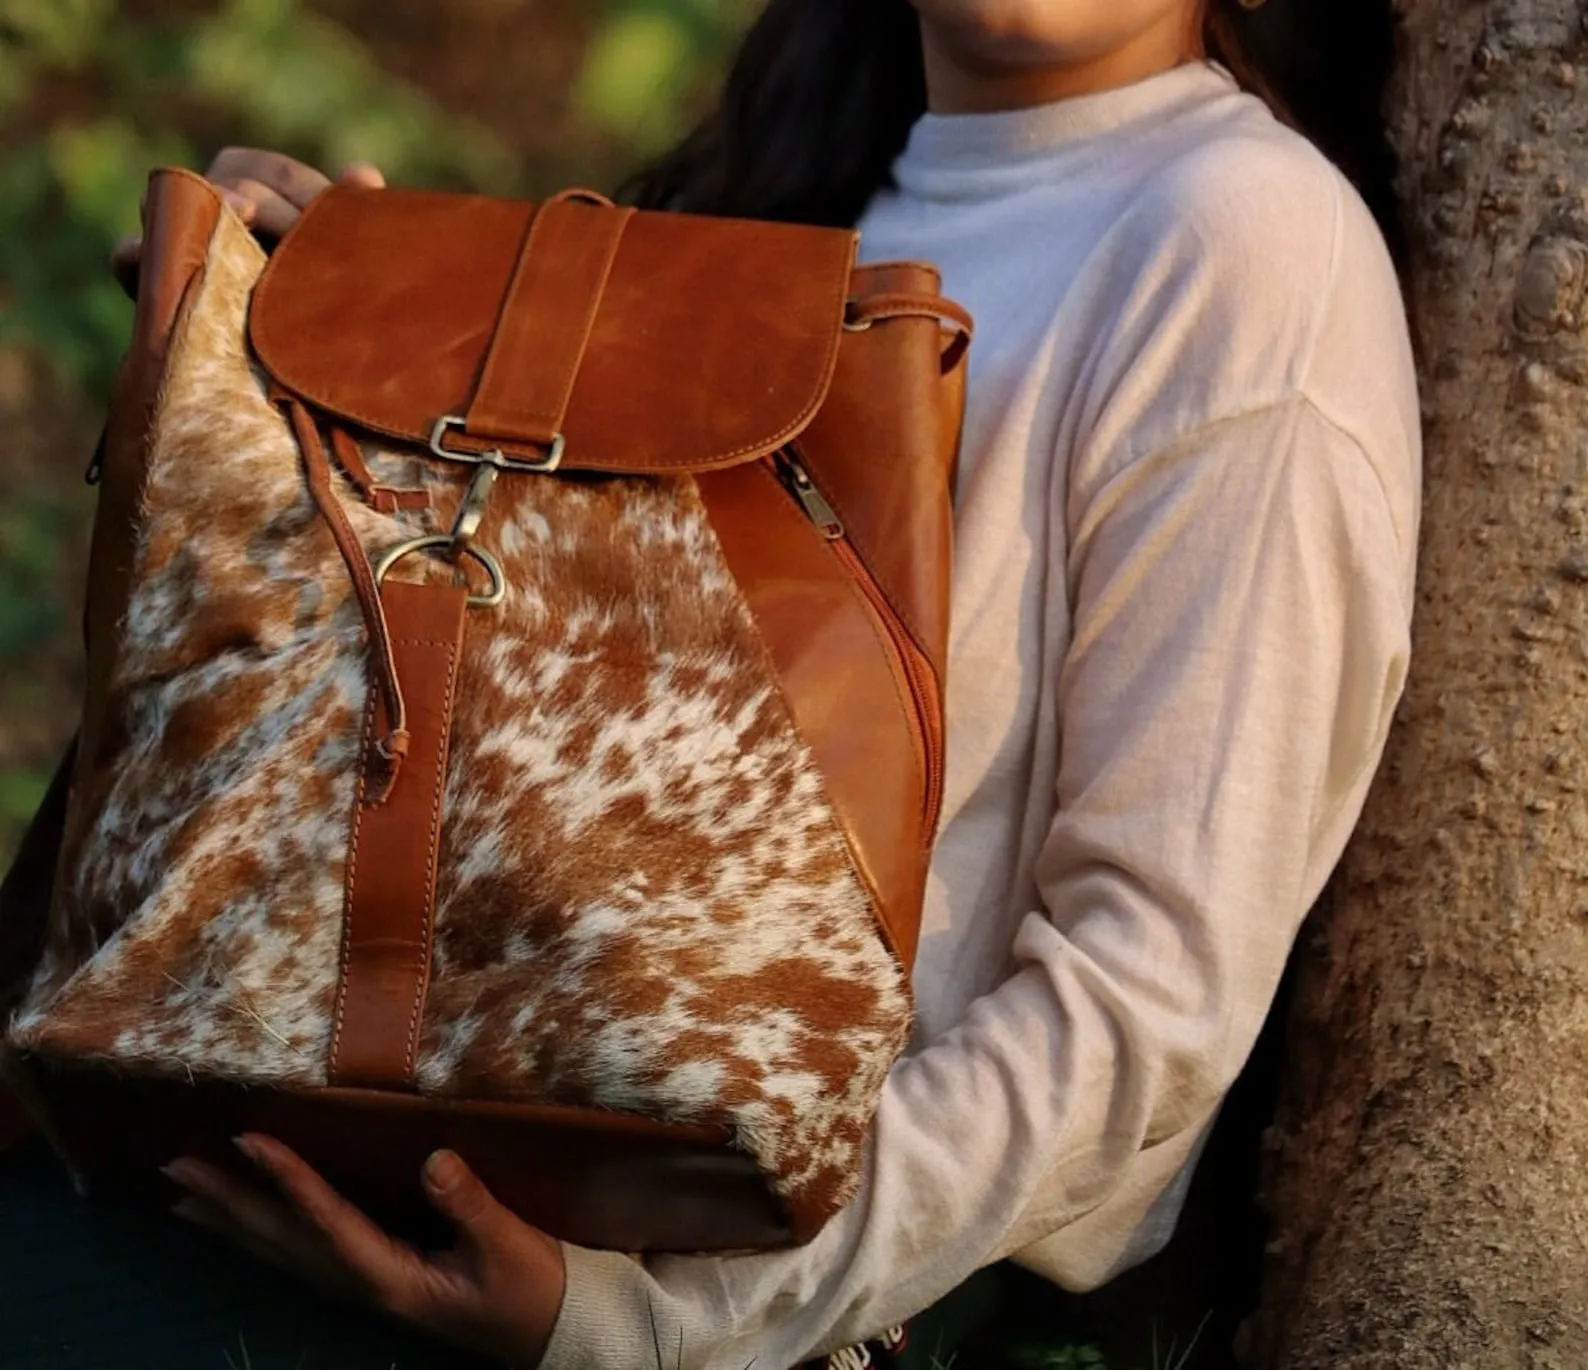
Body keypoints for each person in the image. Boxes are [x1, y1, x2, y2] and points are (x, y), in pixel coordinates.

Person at [122, 0, 1422, 1366]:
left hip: (748, 1293)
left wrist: (636, 1322)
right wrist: (292, 349)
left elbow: (1146, 1004)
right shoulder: (783, 205)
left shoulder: (1242, 240)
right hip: (397, 1136)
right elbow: (492, 749)